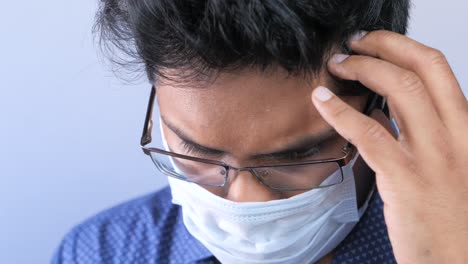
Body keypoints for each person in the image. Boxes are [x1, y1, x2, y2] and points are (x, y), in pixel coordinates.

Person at [52, 0, 468, 263]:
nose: (243, 205)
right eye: (198, 151)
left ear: (382, 105)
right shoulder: (100, 251)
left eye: (298, 156)